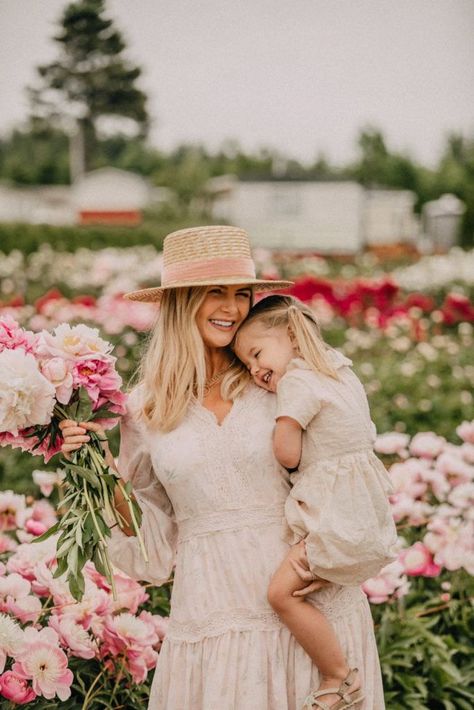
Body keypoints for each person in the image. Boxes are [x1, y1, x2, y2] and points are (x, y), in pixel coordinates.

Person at [59, 226, 386, 710]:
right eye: (215, 292)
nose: (232, 308)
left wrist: (337, 544)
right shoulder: (146, 408)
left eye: (241, 293)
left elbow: (347, 460)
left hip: (311, 609)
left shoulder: (278, 376)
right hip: (214, 617)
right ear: (180, 301)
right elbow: (148, 538)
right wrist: (96, 462)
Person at [233, 294, 398, 709]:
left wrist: (279, 436)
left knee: (281, 595)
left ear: (290, 335)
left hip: (336, 519)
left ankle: (337, 676)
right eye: (247, 365)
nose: (255, 370)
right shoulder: (341, 371)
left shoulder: (298, 382)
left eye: (256, 353)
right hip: (365, 515)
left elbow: (288, 452)